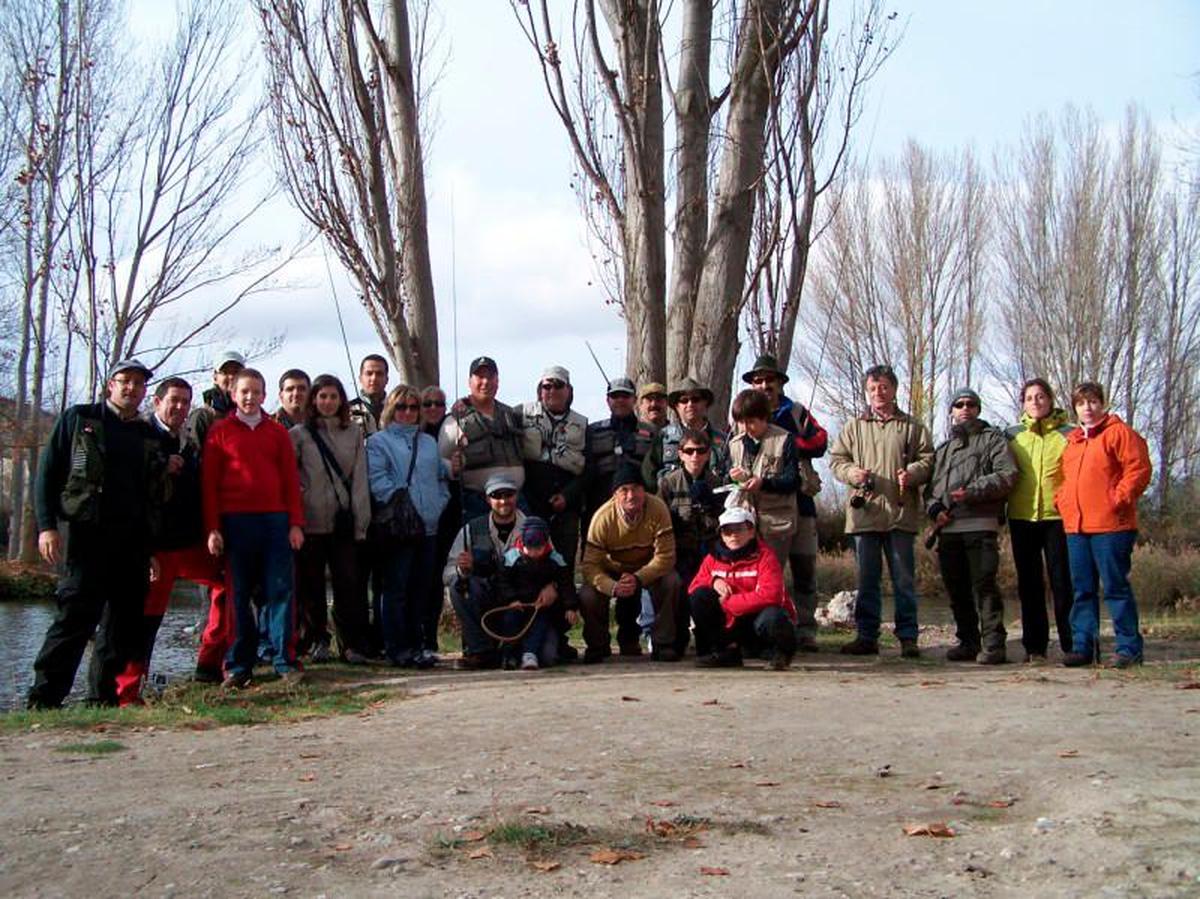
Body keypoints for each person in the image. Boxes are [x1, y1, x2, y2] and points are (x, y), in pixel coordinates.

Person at [26, 360, 172, 709]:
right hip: (86, 536)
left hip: (133, 544)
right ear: (111, 384)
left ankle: (101, 698)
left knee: (121, 626)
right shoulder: (80, 419)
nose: (132, 389)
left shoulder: (149, 436)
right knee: (74, 619)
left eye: (139, 384)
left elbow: (153, 496)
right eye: (126, 381)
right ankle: (45, 699)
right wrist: (46, 527)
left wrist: (151, 548)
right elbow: (48, 474)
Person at [114, 377, 227, 704]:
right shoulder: (141, 437)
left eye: (184, 401)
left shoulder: (189, 443)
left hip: (190, 544)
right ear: (157, 402)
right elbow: (132, 491)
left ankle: (209, 661)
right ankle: (127, 691)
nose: (179, 407)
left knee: (231, 585)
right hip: (156, 549)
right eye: (173, 400)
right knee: (146, 619)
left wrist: (211, 531)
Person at [202, 368, 306, 689]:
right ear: (234, 394)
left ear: (264, 395)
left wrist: (295, 524)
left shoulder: (276, 433)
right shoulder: (220, 432)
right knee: (238, 595)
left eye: (256, 392)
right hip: (236, 522)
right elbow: (209, 485)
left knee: (280, 592)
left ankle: (283, 661)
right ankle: (238, 664)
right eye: (244, 392)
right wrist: (213, 528)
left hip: (275, 521)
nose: (250, 398)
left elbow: (290, 480)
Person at [828, 364, 934, 658]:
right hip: (864, 516)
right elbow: (836, 460)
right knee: (867, 580)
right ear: (867, 392)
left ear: (894, 390)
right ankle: (866, 636)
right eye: (873, 388)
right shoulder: (853, 427)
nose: (879, 393)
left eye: (884, 387)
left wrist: (912, 473)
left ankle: (908, 637)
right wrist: (852, 473)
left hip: (900, 514)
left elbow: (928, 460)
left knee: (903, 579)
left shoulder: (913, 426)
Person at [1056, 382, 1152, 669]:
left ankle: (1129, 648)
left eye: (1093, 401)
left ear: (1103, 403)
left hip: (1112, 526)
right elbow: (1064, 479)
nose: (1088, 407)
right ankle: (1083, 647)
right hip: (1077, 527)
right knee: (1082, 589)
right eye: (1082, 403)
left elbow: (1139, 470)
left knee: (1115, 587)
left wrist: (1118, 499)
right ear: (1075, 408)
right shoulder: (1073, 442)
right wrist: (1062, 502)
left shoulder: (1119, 433)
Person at [924, 388, 1019, 664]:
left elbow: (1007, 475)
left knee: (984, 586)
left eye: (971, 404)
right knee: (957, 589)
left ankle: (993, 645)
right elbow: (931, 489)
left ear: (978, 409)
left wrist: (973, 491)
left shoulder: (994, 440)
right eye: (959, 404)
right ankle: (967, 641)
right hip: (949, 531)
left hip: (981, 527)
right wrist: (936, 509)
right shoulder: (943, 449)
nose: (965, 408)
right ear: (952, 411)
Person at [742, 353, 828, 652]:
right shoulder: (742, 417)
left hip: (801, 504)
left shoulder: (796, 412)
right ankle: (771, 631)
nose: (764, 384)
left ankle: (806, 630)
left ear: (779, 383)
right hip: (763, 511)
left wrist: (788, 442)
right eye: (758, 380)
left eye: (769, 380)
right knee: (768, 574)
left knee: (804, 569)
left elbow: (821, 442)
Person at [366, 384, 452, 667]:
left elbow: (441, 476)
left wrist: (438, 504)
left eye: (414, 407)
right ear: (391, 409)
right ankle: (397, 648)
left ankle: (419, 645)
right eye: (401, 407)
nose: (408, 412)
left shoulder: (427, 442)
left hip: (428, 527)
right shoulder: (379, 442)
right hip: (400, 528)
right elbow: (378, 480)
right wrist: (404, 506)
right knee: (396, 589)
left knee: (422, 589)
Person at [291, 374, 373, 663]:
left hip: (343, 522)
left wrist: (361, 521)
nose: (327, 402)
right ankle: (316, 641)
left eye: (333, 397)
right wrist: (295, 518)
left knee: (348, 585)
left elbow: (361, 478)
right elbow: (290, 479)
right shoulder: (299, 434)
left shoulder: (354, 433)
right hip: (309, 522)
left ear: (341, 401)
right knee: (310, 587)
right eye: (322, 396)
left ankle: (349, 644)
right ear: (314, 399)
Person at [515, 365, 588, 659]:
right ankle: (529, 636)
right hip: (532, 506)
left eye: (558, 386)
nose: (551, 391)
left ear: (569, 390)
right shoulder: (521, 413)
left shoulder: (582, 423)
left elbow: (589, 468)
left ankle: (560, 637)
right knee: (530, 569)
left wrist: (568, 497)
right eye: (546, 386)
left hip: (566, 508)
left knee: (563, 570)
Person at [579, 464, 681, 663]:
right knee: (587, 594)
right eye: (623, 490)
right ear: (615, 495)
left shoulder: (658, 509)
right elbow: (589, 565)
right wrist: (612, 586)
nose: (630, 495)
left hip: (648, 567)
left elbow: (667, 556)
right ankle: (597, 645)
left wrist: (639, 577)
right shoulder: (602, 518)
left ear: (644, 490)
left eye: (635, 488)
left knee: (672, 582)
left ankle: (663, 643)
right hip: (613, 569)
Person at [1006, 378, 1075, 662]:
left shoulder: (1069, 434)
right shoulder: (1011, 435)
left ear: (1050, 400)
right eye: (1030, 398)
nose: (1035, 402)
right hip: (1021, 517)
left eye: (1041, 396)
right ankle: (1035, 647)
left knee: (1063, 583)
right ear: (1023, 403)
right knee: (1029, 584)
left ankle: (1073, 644)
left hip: (1058, 517)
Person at [688, 507, 797, 669]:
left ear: (751, 531)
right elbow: (693, 587)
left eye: (739, 529)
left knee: (773, 617)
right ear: (721, 535)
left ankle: (781, 653)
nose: (733, 535)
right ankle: (724, 652)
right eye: (727, 531)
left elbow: (771, 595)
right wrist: (713, 581)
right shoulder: (712, 558)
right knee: (700, 597)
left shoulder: (766, 556)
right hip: (731, 624)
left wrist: (728, 603)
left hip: (756, 621)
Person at [444, 473, 527, 669]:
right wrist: (462, 569)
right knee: (458, 585)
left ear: (517, 496)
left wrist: (550, 586)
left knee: (548, 655)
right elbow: (447, 575)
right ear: (487, 499)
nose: (503, 501)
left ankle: (514, 651)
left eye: (508, 494)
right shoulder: (470, 530)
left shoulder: (532, 529)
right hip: (485, 598)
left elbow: (555, 567)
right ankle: (480, 652)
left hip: (522, 600)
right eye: (497, 496)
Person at [657, 428, 726, 656]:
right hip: (678, 553)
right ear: (680, 454)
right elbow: (659, 521)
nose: (695, 456)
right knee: (677, 592)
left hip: (708, 553)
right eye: (689, 451)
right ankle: (675, 641)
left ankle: (707, 643)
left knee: (705, 596)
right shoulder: (668, 483)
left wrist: (709, 509)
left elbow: (725, 524)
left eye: (700, 451)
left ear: (708, 454)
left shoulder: (717, 483)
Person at [438, 355, 525, 519]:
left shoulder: (512, 415)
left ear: (497, 381)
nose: (485, 382)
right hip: (477, 503)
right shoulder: (454, 420)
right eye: (480, 377)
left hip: (517, 500)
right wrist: (453, 469)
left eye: (490, 377)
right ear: (469, 381)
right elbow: (440, 459)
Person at [726, 388, 798, 571]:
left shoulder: (785, 439)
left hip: (776, 524)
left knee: (771, 576)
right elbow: (726, 482)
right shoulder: (734, 444)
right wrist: (735, 479)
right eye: (741, 422)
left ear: (764, 418)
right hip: (744, 522)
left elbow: (793, 480)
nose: (745, 427)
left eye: (751, 422)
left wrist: (764, 483)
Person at [496, 516, 576, 670]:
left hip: (541, 607)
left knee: (540, 627)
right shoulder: (510, 559)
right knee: (510, 622)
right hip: (516, 606)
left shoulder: (555, 560)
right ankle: (509, 654)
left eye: (538, 548)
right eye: (530, 548)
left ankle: (529, 653)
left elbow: (566, 584)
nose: (534, 553)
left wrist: (570, 606)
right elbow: (502, 582)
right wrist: (511, 599)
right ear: (522, 543)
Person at [583, 377, 657, 529]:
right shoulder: (593, 431)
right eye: (615, 396)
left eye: (625, 396)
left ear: (634, 399)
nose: (620, 400)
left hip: (638, 501)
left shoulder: (651, 432)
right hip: (599, 500)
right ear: (607, 400)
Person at [420, 384, 460, 660]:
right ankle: (425, 637)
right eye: (428, 404)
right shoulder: (415, 437)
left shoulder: (454, 430)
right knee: (427, 581)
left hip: (452, 513)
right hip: (423, 518)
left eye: (439, 404)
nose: (433, 408)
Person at [643, 377, 728, 485]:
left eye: (695, 399)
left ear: (705, 403)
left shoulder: (722, 440)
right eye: (684, 400)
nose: (690, 404)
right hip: (672, 499)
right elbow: (649, 474)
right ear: (676, 406)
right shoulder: (664, 436)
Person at [348, 354, 390, 436]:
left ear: (387, 379)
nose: (374, 378)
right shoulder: (346, 410)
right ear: (360, 378)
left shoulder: (398, 409)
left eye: (379, 374)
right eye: (369, 373)